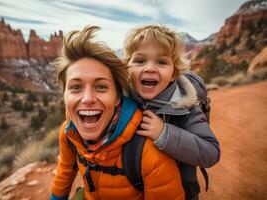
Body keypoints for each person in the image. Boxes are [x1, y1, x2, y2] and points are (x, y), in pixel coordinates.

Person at [50, 26, 185, 200]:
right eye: (76, 87)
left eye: (101, 87)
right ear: (64, 95)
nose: (88, 99)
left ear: (117, 97)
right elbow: (64, 171)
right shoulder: (69, 132)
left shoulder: (148, 152)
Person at [123, 25, 220, 200]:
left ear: (174, 73)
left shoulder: (186, 108)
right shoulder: (121, 101)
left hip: (180, 192)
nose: (150, 68)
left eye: (161, 62)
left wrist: (164, 133)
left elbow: (211, 153)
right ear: (127, 67)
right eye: (140, 61)